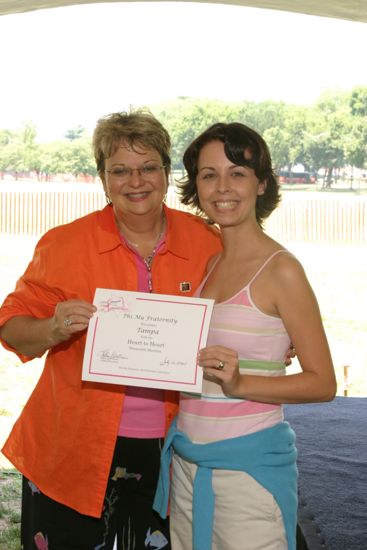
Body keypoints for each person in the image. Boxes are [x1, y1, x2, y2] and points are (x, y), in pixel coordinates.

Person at [0, 110, 223, 550]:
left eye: (147, 167)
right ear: (103, 178)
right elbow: (10, 327)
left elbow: (242, 313)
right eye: (119, 170)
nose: (135, 181)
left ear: (165, 171)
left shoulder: (208, 242)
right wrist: (53, 327)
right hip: (73, 448)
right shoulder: (64, 244)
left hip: (175, 449)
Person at [153, 122, 337, 550]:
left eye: (237, 172)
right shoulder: (208, 266)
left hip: (248, 473)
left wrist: (240, 383)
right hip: (187, 467)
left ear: (261, 184)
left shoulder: (281, 270)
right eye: (208, 174)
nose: (222, 187)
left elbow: (323, 382)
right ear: (196, 186)